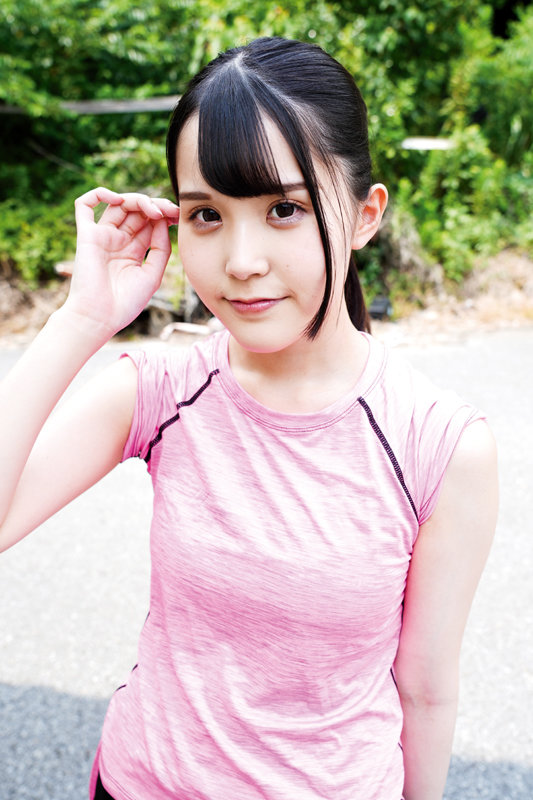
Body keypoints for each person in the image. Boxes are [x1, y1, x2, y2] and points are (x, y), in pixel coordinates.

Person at [0, 36, 498, 800]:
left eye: (283, 209)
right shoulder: (163, 390)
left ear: (364, 215)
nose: (239, 259)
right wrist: (82, 319)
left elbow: (425, 690)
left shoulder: (438, 444)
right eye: (206, 214)